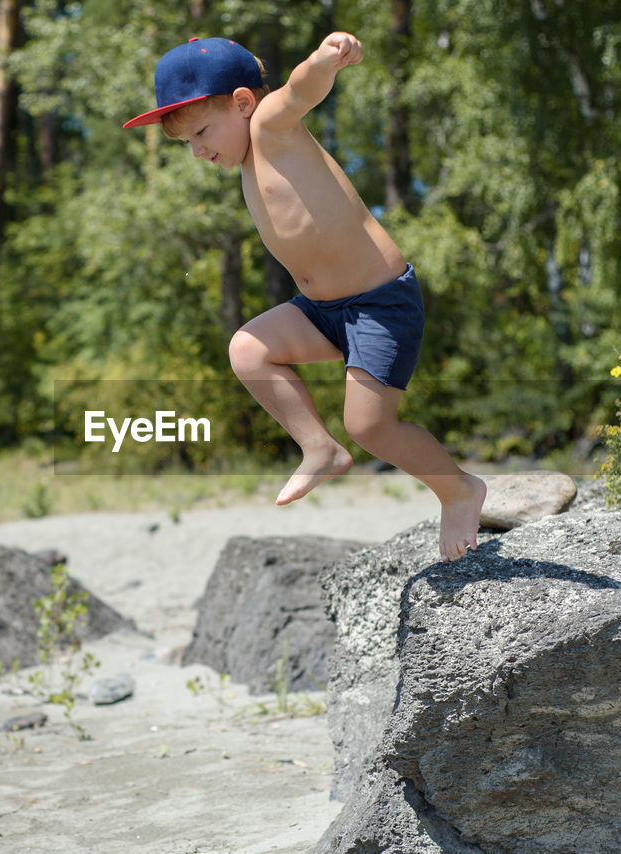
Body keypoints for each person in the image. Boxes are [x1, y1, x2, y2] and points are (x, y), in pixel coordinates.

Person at [124, 32, 485, 560]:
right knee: (247, 349)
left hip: (379, 303)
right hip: (323, 311)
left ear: (244, 103)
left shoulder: (270, 125)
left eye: (202, 131)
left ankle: (459, 490)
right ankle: (318, 447)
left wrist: (326, 58)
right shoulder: (248, 156)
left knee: (370, 426)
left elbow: (299, 89)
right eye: (188, 144)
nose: (199, 150)